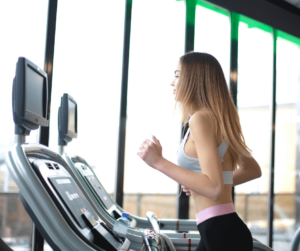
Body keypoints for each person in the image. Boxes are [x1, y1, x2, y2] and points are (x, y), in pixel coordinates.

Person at [137, 52, 261, 251]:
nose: (172, 82)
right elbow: (251, 170)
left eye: (177, 75)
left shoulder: (200, 120)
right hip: (220, 229)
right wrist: (198, 184)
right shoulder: (219, 119)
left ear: (193, 80)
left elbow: (213, 187)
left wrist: (159, 162)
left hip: (221, 233)